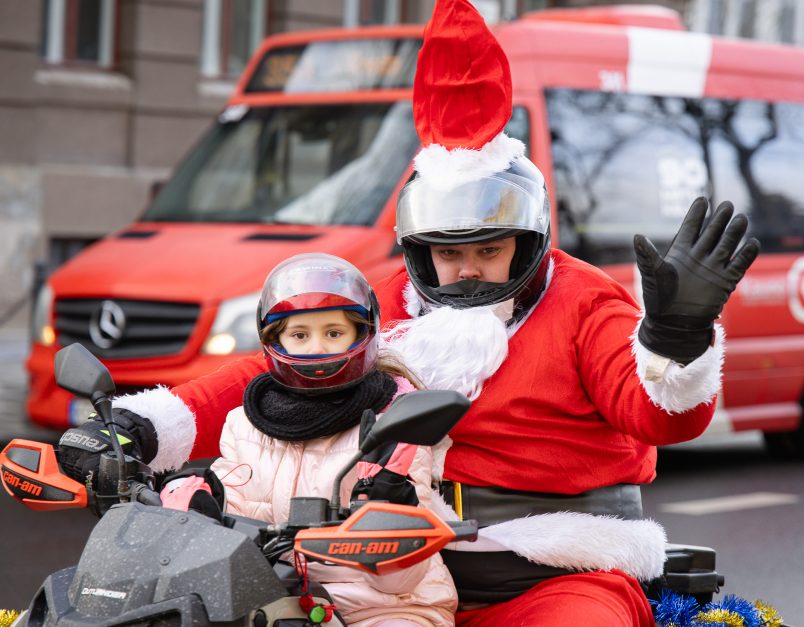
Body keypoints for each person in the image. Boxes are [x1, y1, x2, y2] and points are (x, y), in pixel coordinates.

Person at [56, 1, 759, 625]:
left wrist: (675, 338)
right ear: (419, 248)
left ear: (529, 240)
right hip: (377, 575)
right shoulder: (387, 300)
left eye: (489, 247)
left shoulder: (581, 301)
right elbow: (271, 373)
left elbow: (663, 416)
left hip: (549, 576)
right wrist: (141, 428)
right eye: (448, 252)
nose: (467, 268)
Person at [65, 253, 459, 627]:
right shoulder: (247, 422)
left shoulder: (396, 423)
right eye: (300, 334)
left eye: (334, 332)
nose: (317, 347)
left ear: (363, 334)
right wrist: (193, 501)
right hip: (273, 598)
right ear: (276, 342)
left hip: (381, 608)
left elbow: (399, 583)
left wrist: (391, 505)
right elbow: (228, 515)